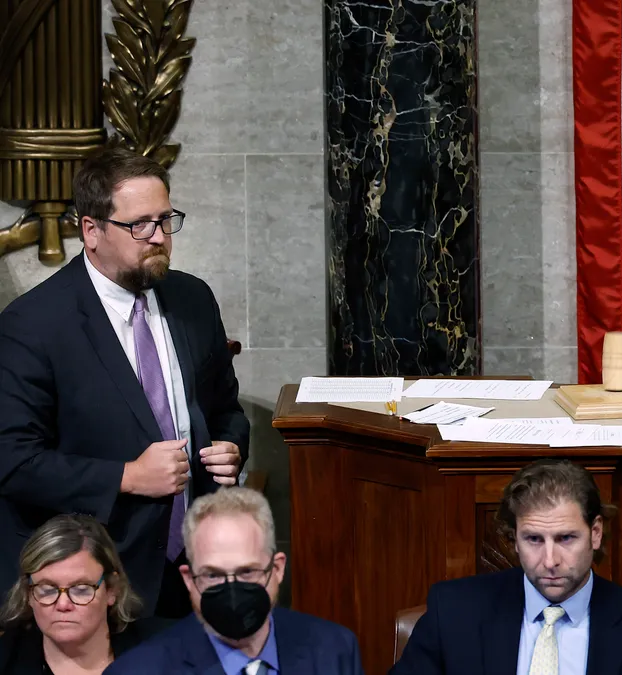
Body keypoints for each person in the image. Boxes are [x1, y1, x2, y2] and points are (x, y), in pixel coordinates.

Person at [0, 147, 250, 618]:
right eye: (140, 225)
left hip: (193, 567)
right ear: (90, 231)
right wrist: (127, 477)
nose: (158, 237)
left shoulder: (192, 299)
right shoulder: (33, 325)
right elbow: (14, 463)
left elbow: (225, 411)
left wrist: (230, 447)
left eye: (166, 219)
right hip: (96, 578)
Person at [391, 459, 622, 675]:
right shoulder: (454, 612)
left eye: (566, 538)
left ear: (595, 533)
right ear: (514, 540)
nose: (550, 560)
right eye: (533, 539)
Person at [103, 487, 364, 675]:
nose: (232, 590)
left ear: (277, 569)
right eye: (213, 575)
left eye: (247, 572)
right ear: (189, 580)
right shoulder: (138, 671)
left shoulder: (335, 651)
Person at [0, 514, 168, 674]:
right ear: (28, 593)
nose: (63, 604)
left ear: (112, 589)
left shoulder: (168, 652)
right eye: (47, 590)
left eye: (80, 589)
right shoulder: (7, 660)